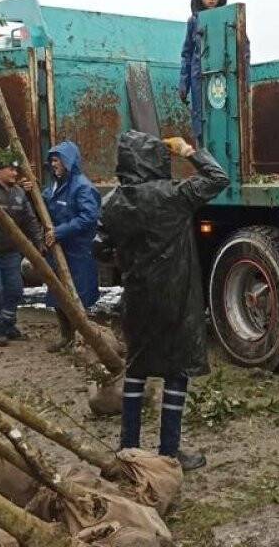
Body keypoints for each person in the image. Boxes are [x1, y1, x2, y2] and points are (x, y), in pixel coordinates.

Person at [100, 131, 229, 470]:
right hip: (176, 297)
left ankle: (128, 449)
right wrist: (188, 151)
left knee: (136, 370)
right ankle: (169, 452)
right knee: (177, 372)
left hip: (137, 298)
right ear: (156, 159)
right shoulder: (173, 195)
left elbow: (99, 246)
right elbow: (219, 178)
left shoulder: (112, 201)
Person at [0, 151, 46, 346]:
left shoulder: (19, 193)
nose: (15, 173)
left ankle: (8, 325)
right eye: (11, 169)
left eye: (16, 169)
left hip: (11, 252)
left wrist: (38, 244)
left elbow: (30, 221)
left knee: (15, 289)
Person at [36, 141, 101, 352]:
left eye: (57, 160)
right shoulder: (55, 186)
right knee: (57, 295)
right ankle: (66, 336)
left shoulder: (82, 187)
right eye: (52, 160)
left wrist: (60, 231)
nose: (53, 164)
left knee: (78, 297)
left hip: (77, 252)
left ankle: (82, 340)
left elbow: (88, 217)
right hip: (58, 250)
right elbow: (43, 205)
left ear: (68, 161)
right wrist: (30, 192)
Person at [178, 0, 227, 147]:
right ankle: (203, 158)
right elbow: (187, 54)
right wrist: (184, 83)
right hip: (198, 77)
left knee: (223, 114)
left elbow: (242, 48)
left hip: (221, 76)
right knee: (200, 118)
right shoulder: (193, 22)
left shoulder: (228, 19)